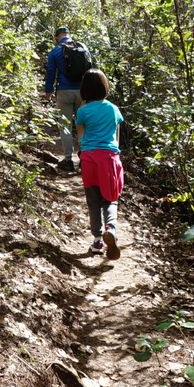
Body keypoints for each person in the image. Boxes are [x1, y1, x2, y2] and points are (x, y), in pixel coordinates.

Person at [73, 68, 124, 259]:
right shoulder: (113, 109)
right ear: (105, 86)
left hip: (89, 158)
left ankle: (97, 241)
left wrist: (82, 155)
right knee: (110, 199)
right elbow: (116, 139)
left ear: (84, 88)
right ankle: (111, 228)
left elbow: (81, 137)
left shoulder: (82, 111)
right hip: (109, 158)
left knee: (93, 201)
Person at [44, 26, 85, 171]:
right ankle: (85, 159)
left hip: (64, 91)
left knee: (65, 126)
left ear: (56, 37)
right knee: (83, 124)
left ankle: (68, 160)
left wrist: (48, 94)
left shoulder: (55, 51)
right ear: (69, 34)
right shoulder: (82, 47)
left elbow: (50, 74)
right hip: (83, 91)